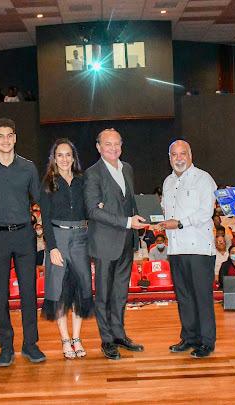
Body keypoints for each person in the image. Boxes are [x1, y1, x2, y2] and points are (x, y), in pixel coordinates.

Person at [0, 118, 45, 365]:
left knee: (29, 293)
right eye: (0, 136)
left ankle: (30, 344)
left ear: (15, 138)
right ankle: (6, 347)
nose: (5, 140)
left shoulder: (28, 168)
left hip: (24, 235)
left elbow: (41, 200)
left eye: (9, 135)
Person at [84, 128, 146, 360]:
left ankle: (119, 334)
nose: (113, 148)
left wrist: (145, 220)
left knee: (120, 293)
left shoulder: (127, 168)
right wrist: (128, 221)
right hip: (104, 244)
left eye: (116, 143)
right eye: (107, 144)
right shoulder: (92, 173)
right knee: (103, 295)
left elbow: (129, 203)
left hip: (126, 241)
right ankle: (107, 340)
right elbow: (92, 210)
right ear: (98, 147)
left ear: (121, 145)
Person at [159, 140, 217, 359]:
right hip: (175, 248)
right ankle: (189, 337)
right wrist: (162, 223)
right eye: (174, 155)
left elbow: (206, 212)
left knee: (202, 297)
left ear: (190, 155)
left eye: (182, 153)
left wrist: (180, 223)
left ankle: (207, 342)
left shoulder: (203, 178)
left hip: (199, 248)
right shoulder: (168, 182)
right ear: (169, 158)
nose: (179, 158)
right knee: (184, 297)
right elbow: (165, 210)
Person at [39, 138, 94, 359]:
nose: (64, 159)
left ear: (73, 158)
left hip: (81, 237)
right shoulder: (48, 183)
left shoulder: (83, 181)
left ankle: (77, 338)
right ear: (54, 158)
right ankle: (65, 340)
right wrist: (52, 247)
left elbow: (89, 209)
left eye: (68, 155)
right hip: (58, 238)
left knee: (81, 289)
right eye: (60, 155)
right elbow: (45, 219)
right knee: (60, 291)